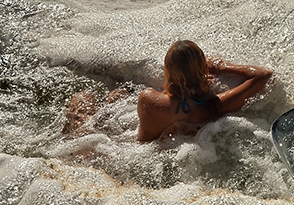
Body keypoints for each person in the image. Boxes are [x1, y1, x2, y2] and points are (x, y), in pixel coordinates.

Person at [64, 40, 273, 142]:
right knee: (115, 95)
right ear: (202, 69)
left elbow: (169, 97)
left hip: (127, 148)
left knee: (82, 98)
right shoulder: (214, 106)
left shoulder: (148, 99)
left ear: (169, 72)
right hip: (168, 148)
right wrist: (222, 66)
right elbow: (263, 75)